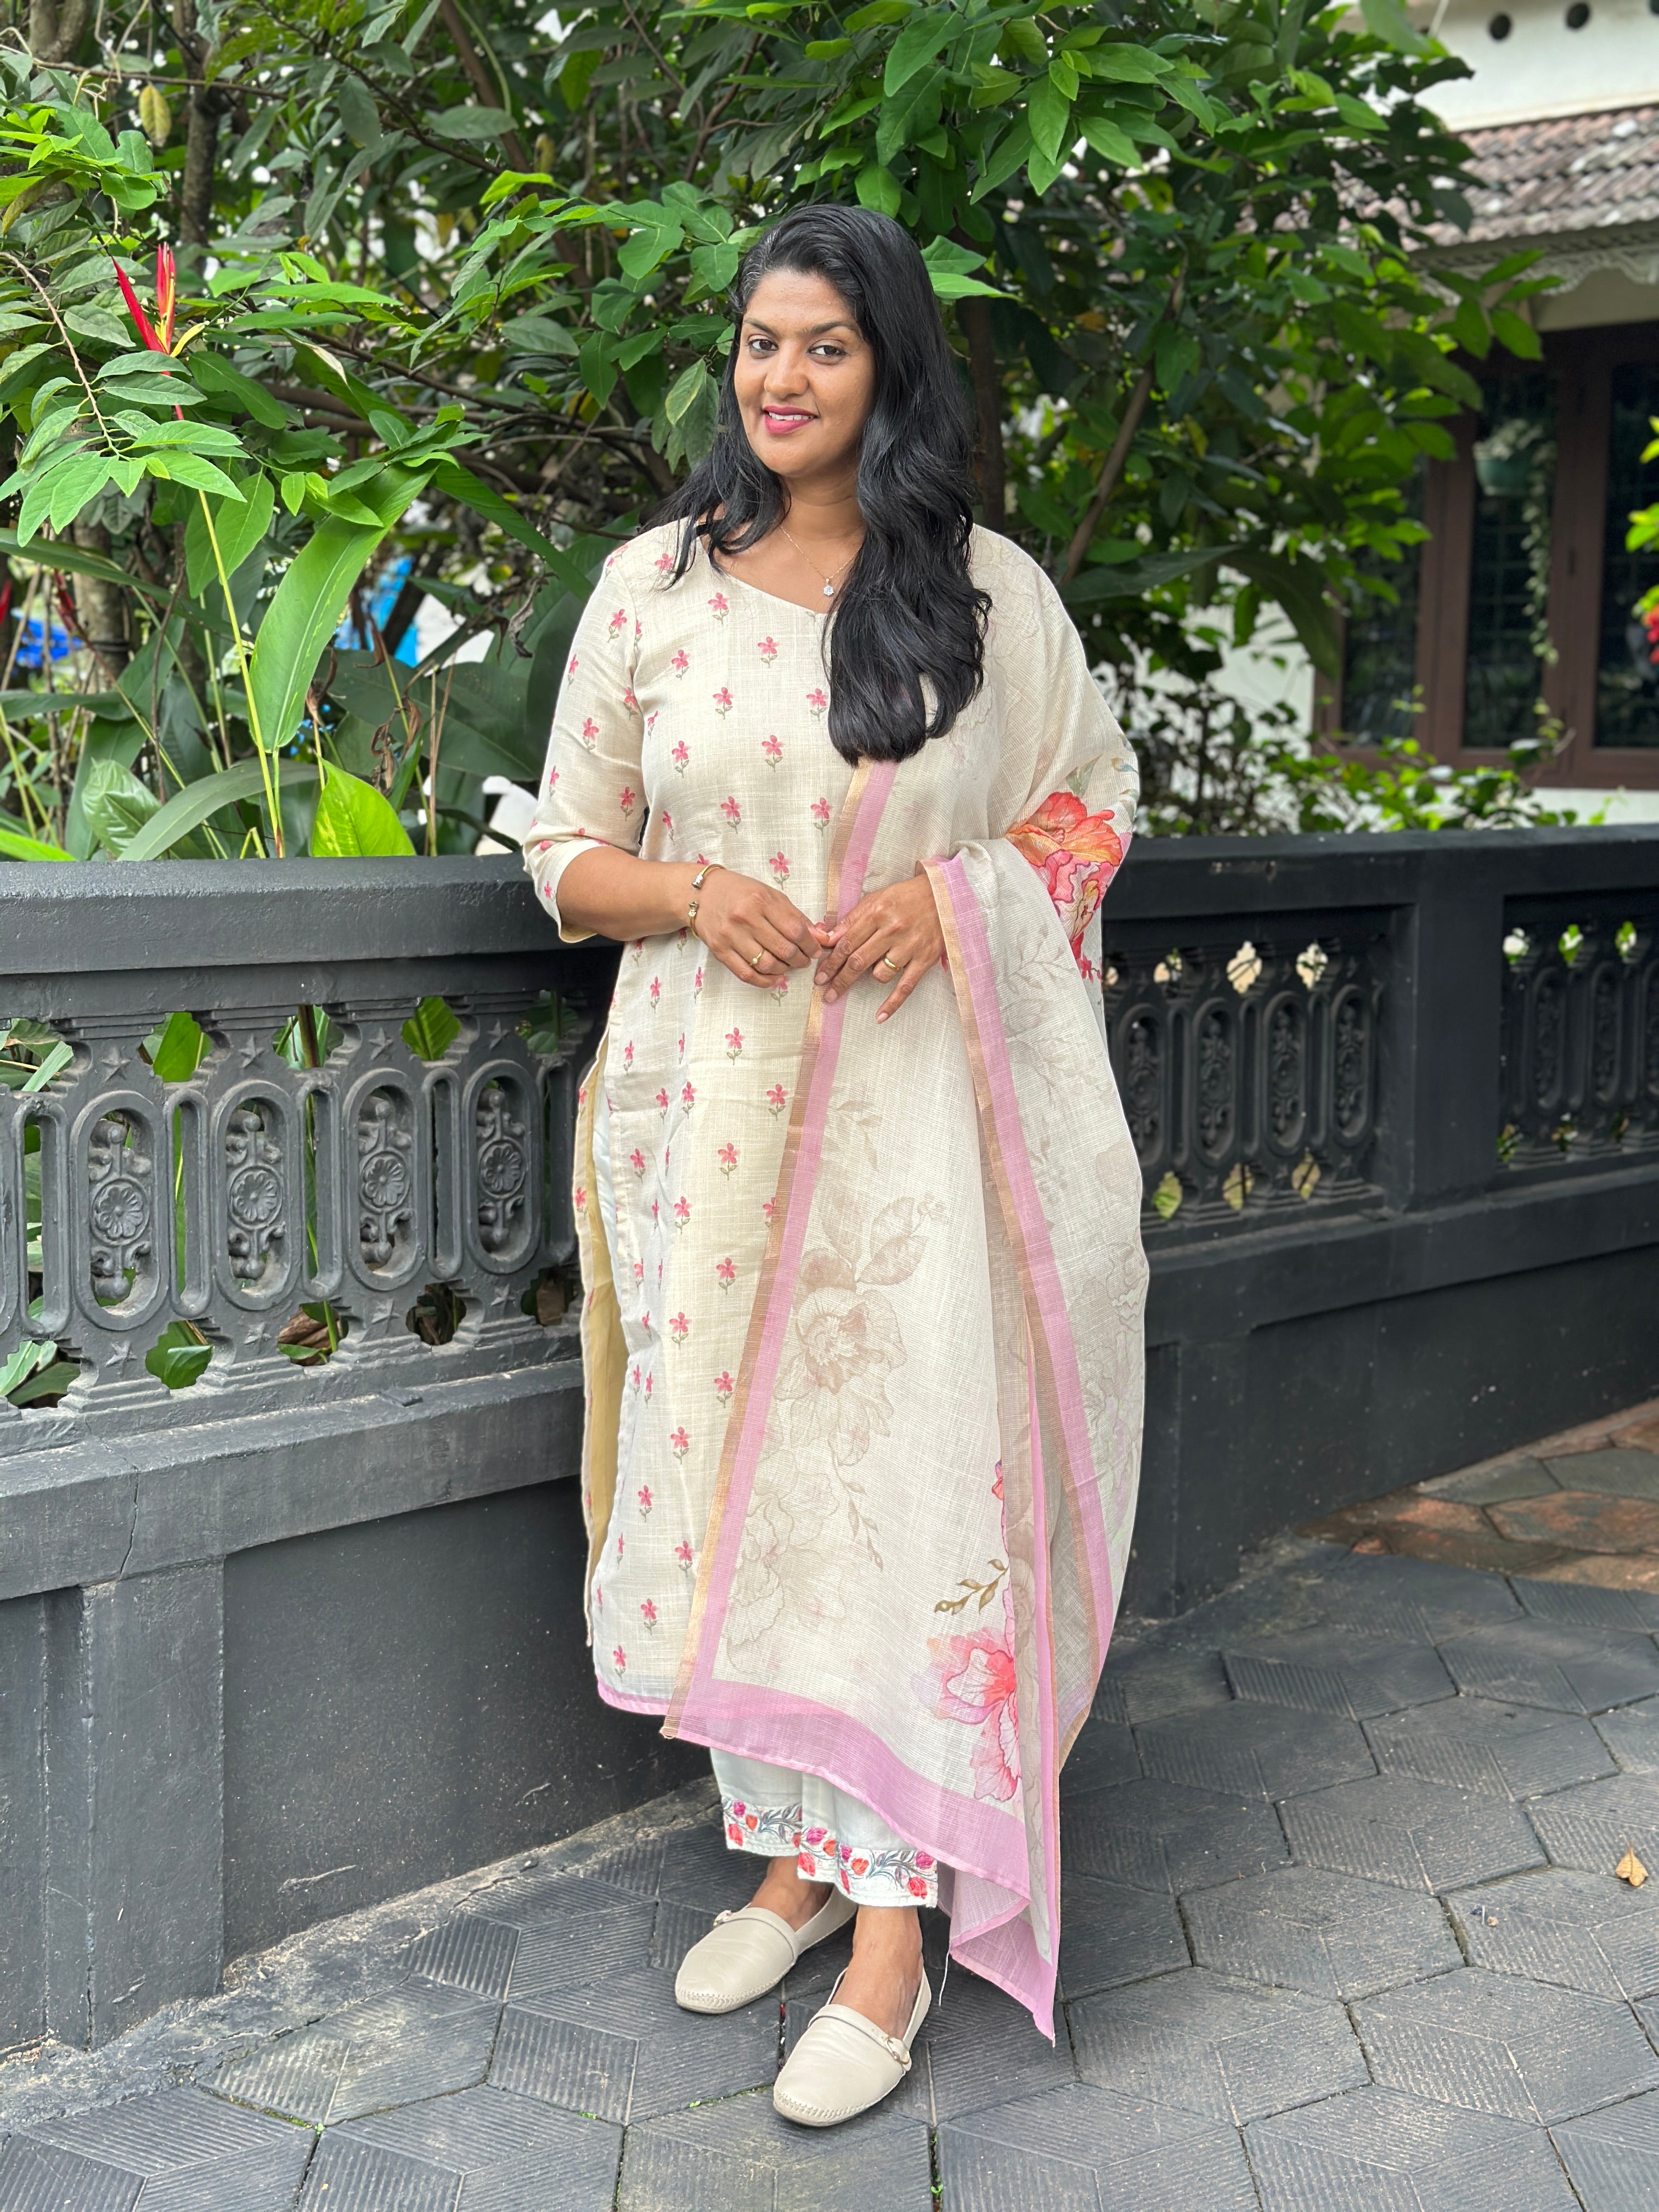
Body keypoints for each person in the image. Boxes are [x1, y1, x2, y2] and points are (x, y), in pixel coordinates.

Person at [524, 202, 1146, 2129]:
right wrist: (691, 893)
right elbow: (563, 852)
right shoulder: (652, 589)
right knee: (738, 1494)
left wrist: (957, 900)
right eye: (759, 341)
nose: (778, 378)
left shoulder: (983, 598)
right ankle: (794, 1864)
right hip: (712, 1130)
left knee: (891, 1492)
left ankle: (895, 1939)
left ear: (891, 371)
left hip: (917, 1148)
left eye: (825, 346)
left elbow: (1092, 808)